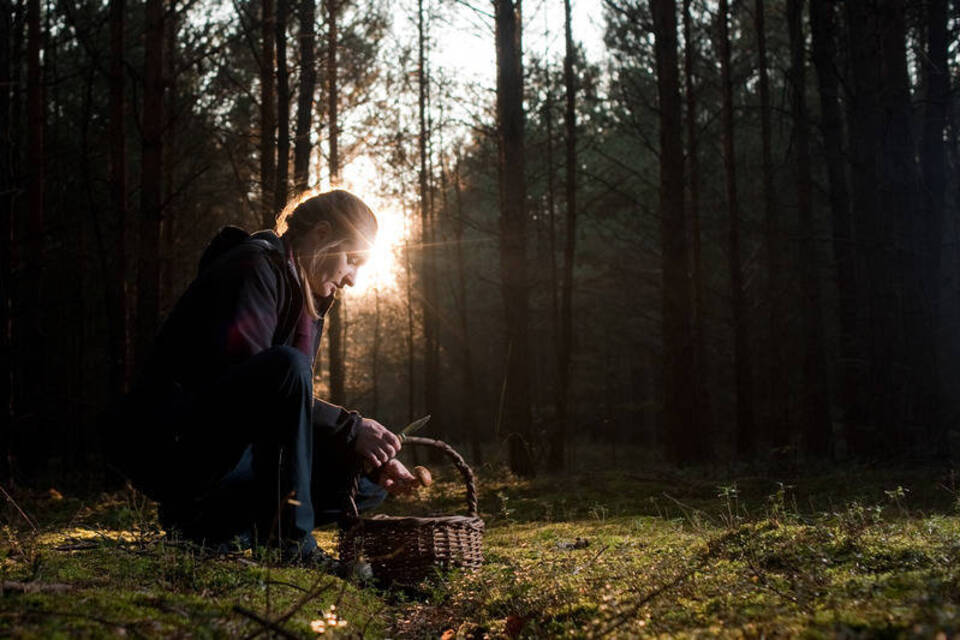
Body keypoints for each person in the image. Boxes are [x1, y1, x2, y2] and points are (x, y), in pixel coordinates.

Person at [103, 190, 416, 565]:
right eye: (352, 260)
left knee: (364, 483)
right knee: (288, 366)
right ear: (321, 234)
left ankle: (218, 527)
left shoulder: (305, 297)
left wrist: (364, 455)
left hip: (234, 451)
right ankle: (288, 544)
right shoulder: (253, 268)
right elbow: (263, 386)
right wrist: (348, 428)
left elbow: (287, 416)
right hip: (174, 448)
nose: (353, 279)